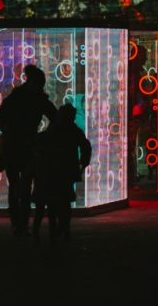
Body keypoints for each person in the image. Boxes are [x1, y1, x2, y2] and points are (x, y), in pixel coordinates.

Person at [0, 64, 57, 237]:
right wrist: (44, 135)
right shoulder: (37, 99)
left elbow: (0, 119)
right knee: (23, 185)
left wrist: (7, 130)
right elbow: (55, 117)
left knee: (16, 185)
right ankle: (21, 222)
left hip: (14, 146)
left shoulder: (17, 97)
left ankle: (18, 223)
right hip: (26, 146)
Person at [31, 104, 91, 243]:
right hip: (66, 171)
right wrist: (83, 162)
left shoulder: (55, 129)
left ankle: (53, 231)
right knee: (64, 202)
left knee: (52, 204)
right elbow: (85, 145)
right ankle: (63, 230)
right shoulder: (73, 130)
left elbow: (41, 142)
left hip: (54, 171)